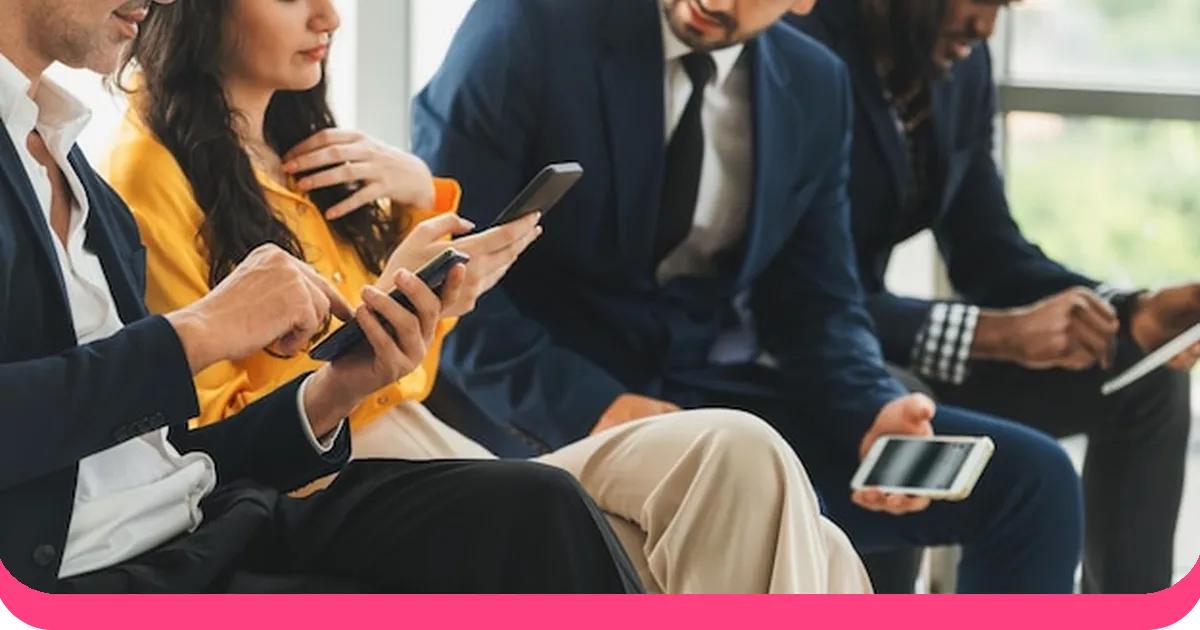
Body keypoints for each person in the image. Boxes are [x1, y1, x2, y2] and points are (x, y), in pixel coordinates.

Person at [101, 0, 872, 595]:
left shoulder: (314, 158)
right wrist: (381, 329)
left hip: (428, 442)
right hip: (338, 474)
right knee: (777, 504)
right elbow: (211, 431)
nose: (329, 16)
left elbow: (411, 369)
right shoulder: (149, 175)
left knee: (764, 476)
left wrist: (420, 202)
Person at [412, 0, 1087, 594]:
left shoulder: (815, 85)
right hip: (533, 395)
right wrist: (598, 408)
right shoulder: (527, 25)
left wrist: (870, 409)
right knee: (762, 509)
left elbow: (816, 304)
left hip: (696, 390)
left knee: (1033, 481)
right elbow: (450, 285)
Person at [0, 0, 645, 595]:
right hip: (106, 571)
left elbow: (160, 455)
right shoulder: (138, 170)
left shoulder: (73, 171)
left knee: (538, 503)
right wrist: (199, 332)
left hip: (204, 516)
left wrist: (334, 390)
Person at [788, 0, 1194, 594]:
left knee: (1142, 376)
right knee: (907, 404)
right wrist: (993, 333)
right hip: (801, 359)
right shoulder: (799, 50)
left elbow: (988, 252)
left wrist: (1132, 310)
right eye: (977, 1)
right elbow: (795, 297)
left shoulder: (963, 68)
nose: (985, 28)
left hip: (889, 345)